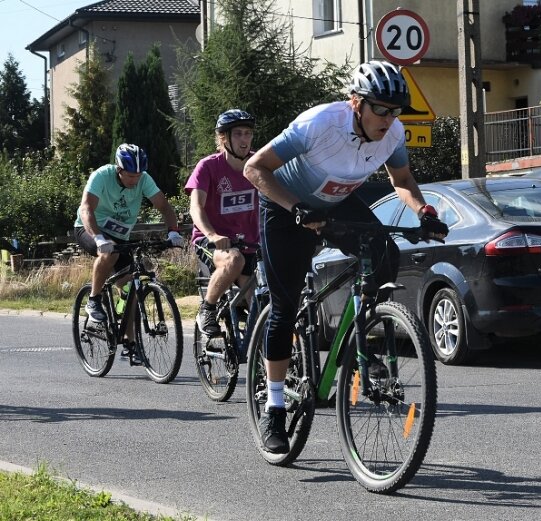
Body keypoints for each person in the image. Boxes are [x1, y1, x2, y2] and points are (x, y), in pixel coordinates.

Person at [243, 60, 449, 454]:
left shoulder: (393, 135)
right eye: (380, 109)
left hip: (338, 202)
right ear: (356, 103)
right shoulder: (319, 125)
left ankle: (362, 342)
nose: (388, 119)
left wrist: (424, 211)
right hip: (288, 207)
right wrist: (296, 208)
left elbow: (402, 180)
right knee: (284, 309)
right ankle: (274, 405)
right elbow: (255, 168)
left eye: (395, 111)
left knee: (384, 255)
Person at [73, 144, 184, 360]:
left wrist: (173, 232)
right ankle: (94, 299)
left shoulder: (144, 179)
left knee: (134, 282)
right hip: (90, 228)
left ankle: (129, 343)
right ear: (119, 169)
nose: (135, 181)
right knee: (109, 253)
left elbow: (164, 206)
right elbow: (86, 209)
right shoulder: (101, 176)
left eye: (138, 175)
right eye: (130, 176)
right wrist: (98, 237)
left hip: (119, 236)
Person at [185, 110, 260, 337]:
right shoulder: (208, 167)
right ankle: (207, 309)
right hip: (213, 242)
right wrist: (211, 235)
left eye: (248, 134)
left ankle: (259, 357)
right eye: (237, 134)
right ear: (223, 139)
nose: (244, 140)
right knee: (234, 259)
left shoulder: (258, 164)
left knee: (260, 307)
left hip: (250, 243)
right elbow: (196, 207)